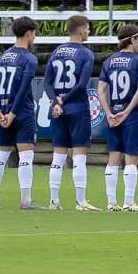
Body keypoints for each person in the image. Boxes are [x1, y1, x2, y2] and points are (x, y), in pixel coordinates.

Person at [44, 14, 98, 211]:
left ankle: (54, 200)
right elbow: (82, 84)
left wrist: (55, 102)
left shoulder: (56, 51)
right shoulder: (86, 54)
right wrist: (64, 100)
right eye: (88, 28)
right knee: (80, 155)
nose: (89, 32)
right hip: (77, 107)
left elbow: (47, 82)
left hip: (59, 110)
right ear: (81, 30)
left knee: (58, 155)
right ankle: (81, 201)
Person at [0, 17, 42, 211]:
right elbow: (24, 86)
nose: (34, 37)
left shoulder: (3, 56)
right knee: (26, 155)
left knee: (0, 155)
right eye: (34, 33)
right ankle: (26, 200)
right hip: (22, 111)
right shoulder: (29, 58)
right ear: (28, 33)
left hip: (2, 110)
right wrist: (13, 113)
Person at [98, 24, 138, 212]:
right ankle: (129, 202)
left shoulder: (109, 61)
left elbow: (101, 90)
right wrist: (127, 112)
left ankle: (112, 202)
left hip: (113, 114)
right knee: (131, 158)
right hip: (131, 114)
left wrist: (109, 113)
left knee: (113, 157)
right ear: (133, 40)